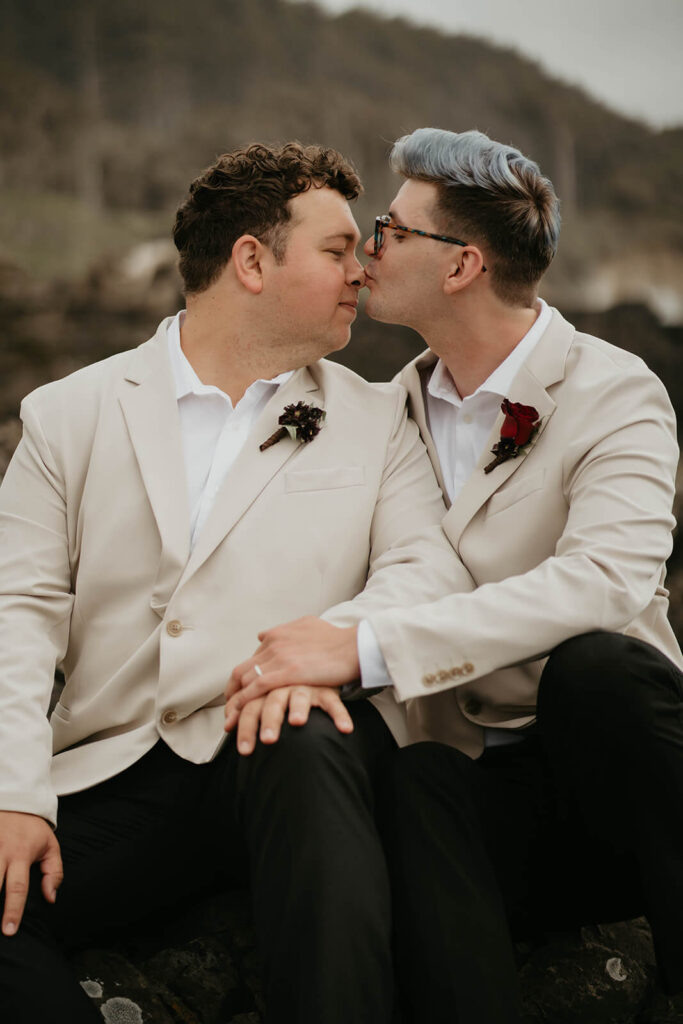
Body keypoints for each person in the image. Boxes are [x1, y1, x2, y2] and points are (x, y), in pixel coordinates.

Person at [0, 140, 470, 1023]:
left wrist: (329, 646)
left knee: (301, 730)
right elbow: (13, 618)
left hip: (289, 768)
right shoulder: (69, 413)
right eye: (336, 250)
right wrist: (12, 795)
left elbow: (427, 571)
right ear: (251, 260)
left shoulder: (377, 417)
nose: (361, 273)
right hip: (115, 769)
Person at [225, 128, 683, 1024]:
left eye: (388, 230)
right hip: (478, 797)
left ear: (461, 264)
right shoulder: (382, 410)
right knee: (415, 772)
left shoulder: (615, 391)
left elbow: (602, 582)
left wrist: (365, 645)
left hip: (611, 787)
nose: (367, 248)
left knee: (603, 668)